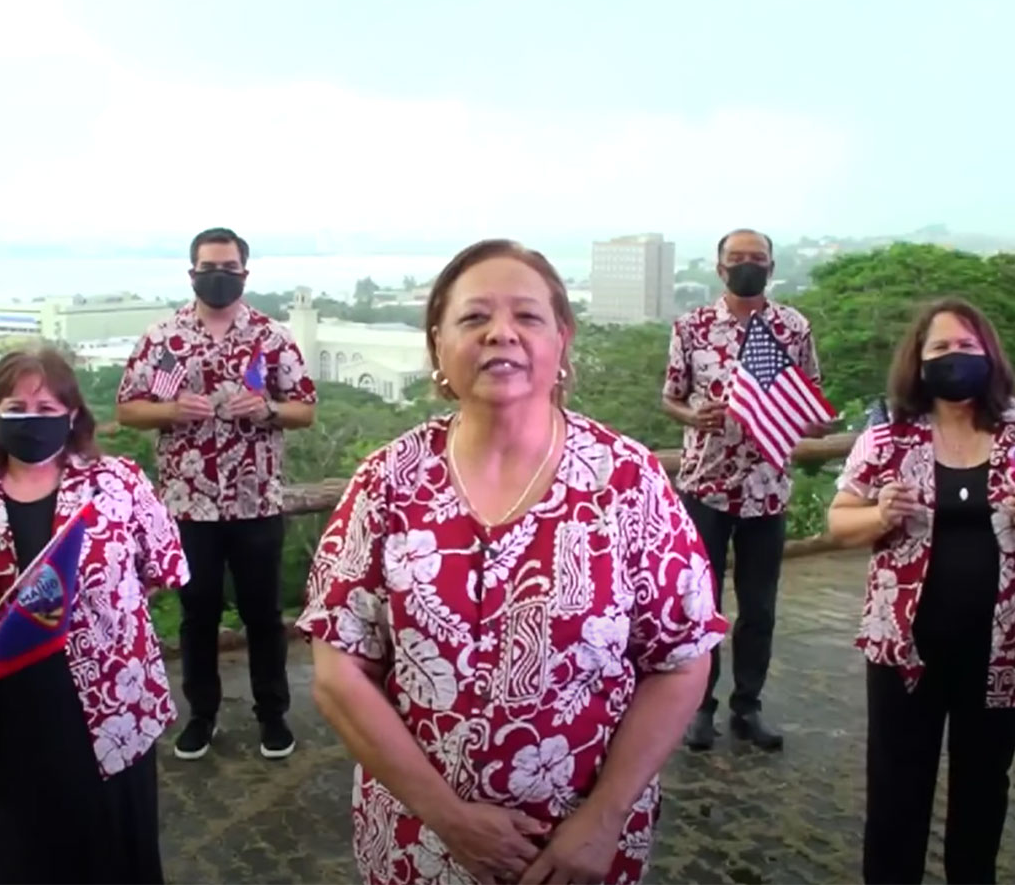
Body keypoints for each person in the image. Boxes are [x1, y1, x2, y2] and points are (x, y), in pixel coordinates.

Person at [298, 238, 729, 885]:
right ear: (438, 346)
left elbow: (680, 659)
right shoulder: (389, 481)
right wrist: (448, 816)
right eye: (474, 318)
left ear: (562, 339)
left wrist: (605, 818)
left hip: (580, 848)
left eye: (527, 316)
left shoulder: (627, 481)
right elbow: (339, 674)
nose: (501, 333)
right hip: (418, 842)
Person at [826, 298, 1015, 884]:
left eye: (967, 347)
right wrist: (878, 514)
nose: (954, 359)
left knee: (982, 790)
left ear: (990, 355)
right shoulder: (888, 440)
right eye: (941, 349)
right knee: (896, 792)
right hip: (905, 651)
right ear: (918, 360)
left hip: (1003, 651)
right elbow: (838, 525)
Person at [0, 348, 188, 884]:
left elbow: (165, 565)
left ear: (74, 413)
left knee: (109, 850)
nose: (31, 416)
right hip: (4, 710)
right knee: (14, 853)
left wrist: (105, 613)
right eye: (15, 405)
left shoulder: (118, 483)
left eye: (45, 404)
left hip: (107, 705)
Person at [115, 226, 318, 762]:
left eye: (229, 268)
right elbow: (128, 408)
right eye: (210, 268)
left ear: (245, 274)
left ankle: (273, 714)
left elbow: (305, 408)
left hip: (257, 501)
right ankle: (200, 715)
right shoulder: (164, 340)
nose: (219, 277)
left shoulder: (270, 338)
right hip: (188, 505)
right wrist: (171, 410)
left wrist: (268, 410)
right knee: (197, 614)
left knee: (263, 614)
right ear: (192, 273)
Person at [661, 227, 828, 752]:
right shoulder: (691, 327)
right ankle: (698, 707)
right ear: (719, 268)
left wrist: (809, 420)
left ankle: (747, 706)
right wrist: (693, 414)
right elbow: (670, 397)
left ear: (772, 268)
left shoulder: (792, 327)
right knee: (700, 606)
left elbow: (811, 396)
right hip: (703, 485)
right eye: (737, 258)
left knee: (759, 608)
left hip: (766, 487)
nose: (747, 265)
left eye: (757, 258)